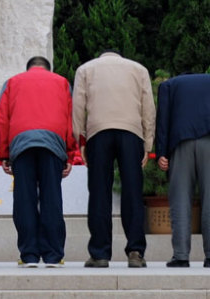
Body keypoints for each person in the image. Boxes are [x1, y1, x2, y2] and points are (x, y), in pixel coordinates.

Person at [73, 50, 154, 268]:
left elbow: (78, 106)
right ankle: (136, 251)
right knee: (133, 192)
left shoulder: (85, 69)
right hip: (132, 132)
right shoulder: (139, 69)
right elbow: (148, 108)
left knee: (99, 192)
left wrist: (80, 138)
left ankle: (100, 253)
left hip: (98, 132)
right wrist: (148, 142)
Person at [0, 56, 77, 267]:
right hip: (52, 143)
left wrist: (3, 153)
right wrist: (70, 153)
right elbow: (71, 118)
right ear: (48, 69)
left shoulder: (12, 82)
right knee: (51, 197)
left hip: (21, 144)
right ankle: (53, 255)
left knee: (24, 199)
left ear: (28, 68)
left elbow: (3, 118)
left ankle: (29, 255)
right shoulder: (61, 82)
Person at [155, 73, 210, 268]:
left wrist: (161, 152)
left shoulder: (168, 86)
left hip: (180, 143)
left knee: (180, 200)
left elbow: (163, 120)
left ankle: (181, 256)